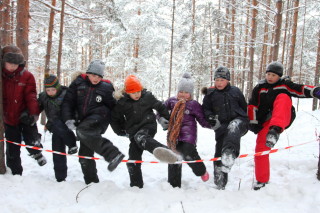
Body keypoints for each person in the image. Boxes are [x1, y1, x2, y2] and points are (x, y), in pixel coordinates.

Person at [247, 61, 320, 190]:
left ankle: (275, 131)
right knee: (260, 149)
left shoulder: (285, 85)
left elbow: (301, 89)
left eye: (273, 75)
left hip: (282, 117)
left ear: (279, 76)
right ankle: (261, 180)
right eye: (268, 74)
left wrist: (315, 91)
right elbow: (252, 105)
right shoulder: (260, 88)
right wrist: (253, 122)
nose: (270, 77)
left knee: (282, 97)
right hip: (265, 122)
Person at [62, 60, 124, 185]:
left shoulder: (106, 87)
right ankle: (91, 182)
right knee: (84, 156)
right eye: (94, 75)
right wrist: (69, 119)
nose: (96, 79)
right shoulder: (78, 83)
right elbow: (68, 102)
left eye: (99, 76)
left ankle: (113, 154)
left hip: (99, 117)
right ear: (88, 73)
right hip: (83, 120)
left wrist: (121, 126)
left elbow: (114, 108)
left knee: (82, 131)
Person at [111, 75, 179, 188]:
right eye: (133, 92)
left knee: (141, 137)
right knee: (133, 158)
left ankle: (164, 151)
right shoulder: (122, 103)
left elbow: (160, 106)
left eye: (138, 91)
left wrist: (166, 118)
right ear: (127, 92)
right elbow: (114, 118)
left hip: (148, 126)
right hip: (133, 132)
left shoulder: (147, 97)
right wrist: (121, 131)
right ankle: (136, 186)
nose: (137, 94)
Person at [1, 45, 47, 175]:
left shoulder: (27, 76)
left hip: (24, 113)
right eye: (10, 63)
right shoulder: (2, 76)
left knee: (32, 136)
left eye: (16, 63)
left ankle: (36, 153)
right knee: (12, 147)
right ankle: (15, 173)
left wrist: (33, 113)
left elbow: (31, 95)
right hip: (8, 117)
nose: (12, 66)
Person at [202, 66, 248, 190]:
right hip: (221, 125)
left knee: (233, 127)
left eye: (222, 80)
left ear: (228, 80)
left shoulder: (235, 91)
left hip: (238, 121)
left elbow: (244, 107)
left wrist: (246, 120)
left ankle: (230, 154)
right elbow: (205, 109)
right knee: (218, 152)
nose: (219, 83)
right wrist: (211, 118)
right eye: (217, 80)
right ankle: (220, 181)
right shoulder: (210, 94)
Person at [165, 72, 211, 188]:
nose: (183, 95)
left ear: (190, 94)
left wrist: (212, 125)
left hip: (188, 136)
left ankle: (201, 171)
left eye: (186, 92)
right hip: (173, 136)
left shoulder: (194, 104)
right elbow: (161, 111)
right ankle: (173, 184)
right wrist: (162, 120)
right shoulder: (171, 101)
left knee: (187, 151)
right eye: (181, 91)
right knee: (173, 156)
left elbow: (202, 120)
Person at [38, 74, 78, 182]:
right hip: (55, 128)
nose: (50, 92)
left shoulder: (66, 94)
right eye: (48, 90)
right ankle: (60, 177)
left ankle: (72, 143)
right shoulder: (43, 97)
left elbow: (74, 106)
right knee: (57, 152)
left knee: (58, 124)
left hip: (66, 124)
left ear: (57, 87)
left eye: (52, 89)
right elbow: (36, 107)